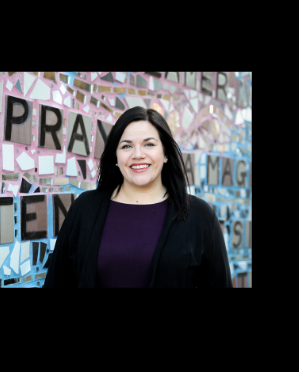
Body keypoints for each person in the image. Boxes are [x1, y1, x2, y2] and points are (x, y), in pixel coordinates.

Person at [43, 106, 232, 287]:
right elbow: (57, 282)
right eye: (126, 146)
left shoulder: (199, 216)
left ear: (166, 154)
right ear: (116, 157)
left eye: (149, 144)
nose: (138, 154)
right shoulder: (84, 209)